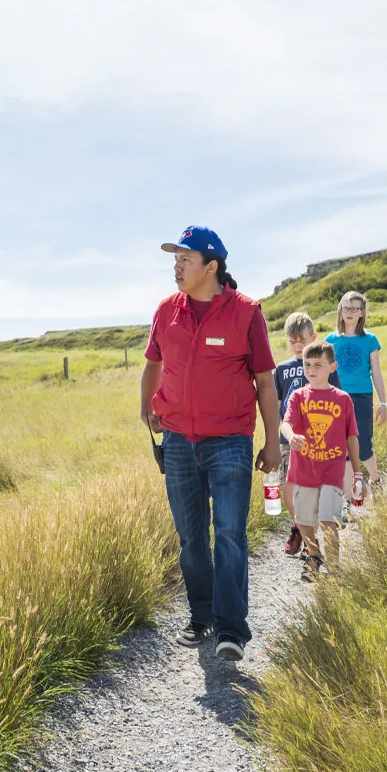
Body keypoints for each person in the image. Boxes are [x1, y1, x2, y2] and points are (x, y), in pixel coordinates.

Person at [142, 226, 280, 663]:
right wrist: (146, 405)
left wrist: (272, 442)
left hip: (231, 441)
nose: (176, 267)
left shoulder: (245, 313)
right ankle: (200, 616)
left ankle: (231, 629)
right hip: (178, 439)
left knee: (230, 533)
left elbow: (264, 382)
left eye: (185, 259)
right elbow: (153, 362)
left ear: (212, 266)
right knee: (190, 538)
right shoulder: (167, 310)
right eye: (175, 259)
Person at [279, 342, 359, 583]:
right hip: (304, 470)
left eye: (318, 365)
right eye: (307, 364)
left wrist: (357, 473)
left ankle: (334, 572)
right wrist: (292, 437)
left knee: (327, 520)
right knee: (304, 521)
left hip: (332, 471)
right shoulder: (298, 396)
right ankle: (313, 554)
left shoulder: (343, 399)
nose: (311, 369)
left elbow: (352, 437)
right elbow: (286, 423)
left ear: (332, 367)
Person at [327, 291, 387, 493]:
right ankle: (347, 498)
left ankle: (375, 479)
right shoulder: (330, 340)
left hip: (362, 397)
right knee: (342, 449)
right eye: (346, 307)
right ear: (340, 310)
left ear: (362, 313)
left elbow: (377, 374)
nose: (350, 312)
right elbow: (325, 374)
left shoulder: (370, 340)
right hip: (337, 399)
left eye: (355, 308)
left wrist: (383, 403)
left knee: (362, 447)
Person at [272, 311, 318, 558]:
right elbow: (276, 404)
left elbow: (338, 400)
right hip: (287, 439)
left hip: (317, 440)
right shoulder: (281, 369)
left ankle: (311, 544)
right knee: (287, 487)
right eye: (293, 342)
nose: (298, 346)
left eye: (303, 340)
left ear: (314, 337)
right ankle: (299, 526)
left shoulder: (322, 365)